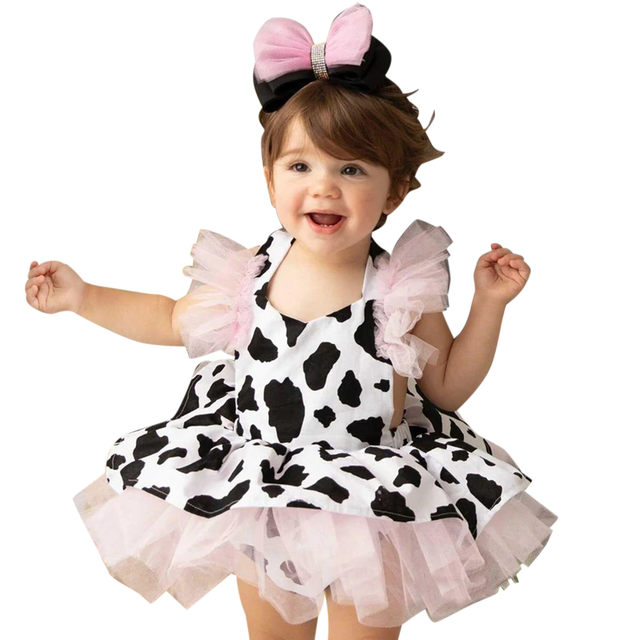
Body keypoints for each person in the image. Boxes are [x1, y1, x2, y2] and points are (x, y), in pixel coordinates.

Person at [24, 4, 557, 639]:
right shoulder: (248, 273)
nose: (324, 186)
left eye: (350, 169)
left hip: (372, 498)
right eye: (301, 166)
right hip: (265, 495)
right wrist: (84, 297)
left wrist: (489, 305)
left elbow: (445, 389)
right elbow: (168, 318)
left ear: (394, 191)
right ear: (270, 180)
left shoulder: (400, 287)